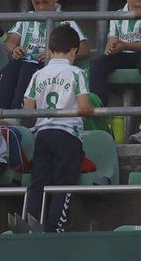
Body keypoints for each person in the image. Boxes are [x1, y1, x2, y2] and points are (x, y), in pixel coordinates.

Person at [21, 25, 94, 233]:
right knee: (64, 183)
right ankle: (56, 227)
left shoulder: (38, 74)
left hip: (43, 134)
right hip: (67, 135)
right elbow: (84, 106)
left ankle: (32, 223)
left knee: (39, 183)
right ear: (74, 51)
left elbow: (28, 112)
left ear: (50, 50)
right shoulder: (77, 72)